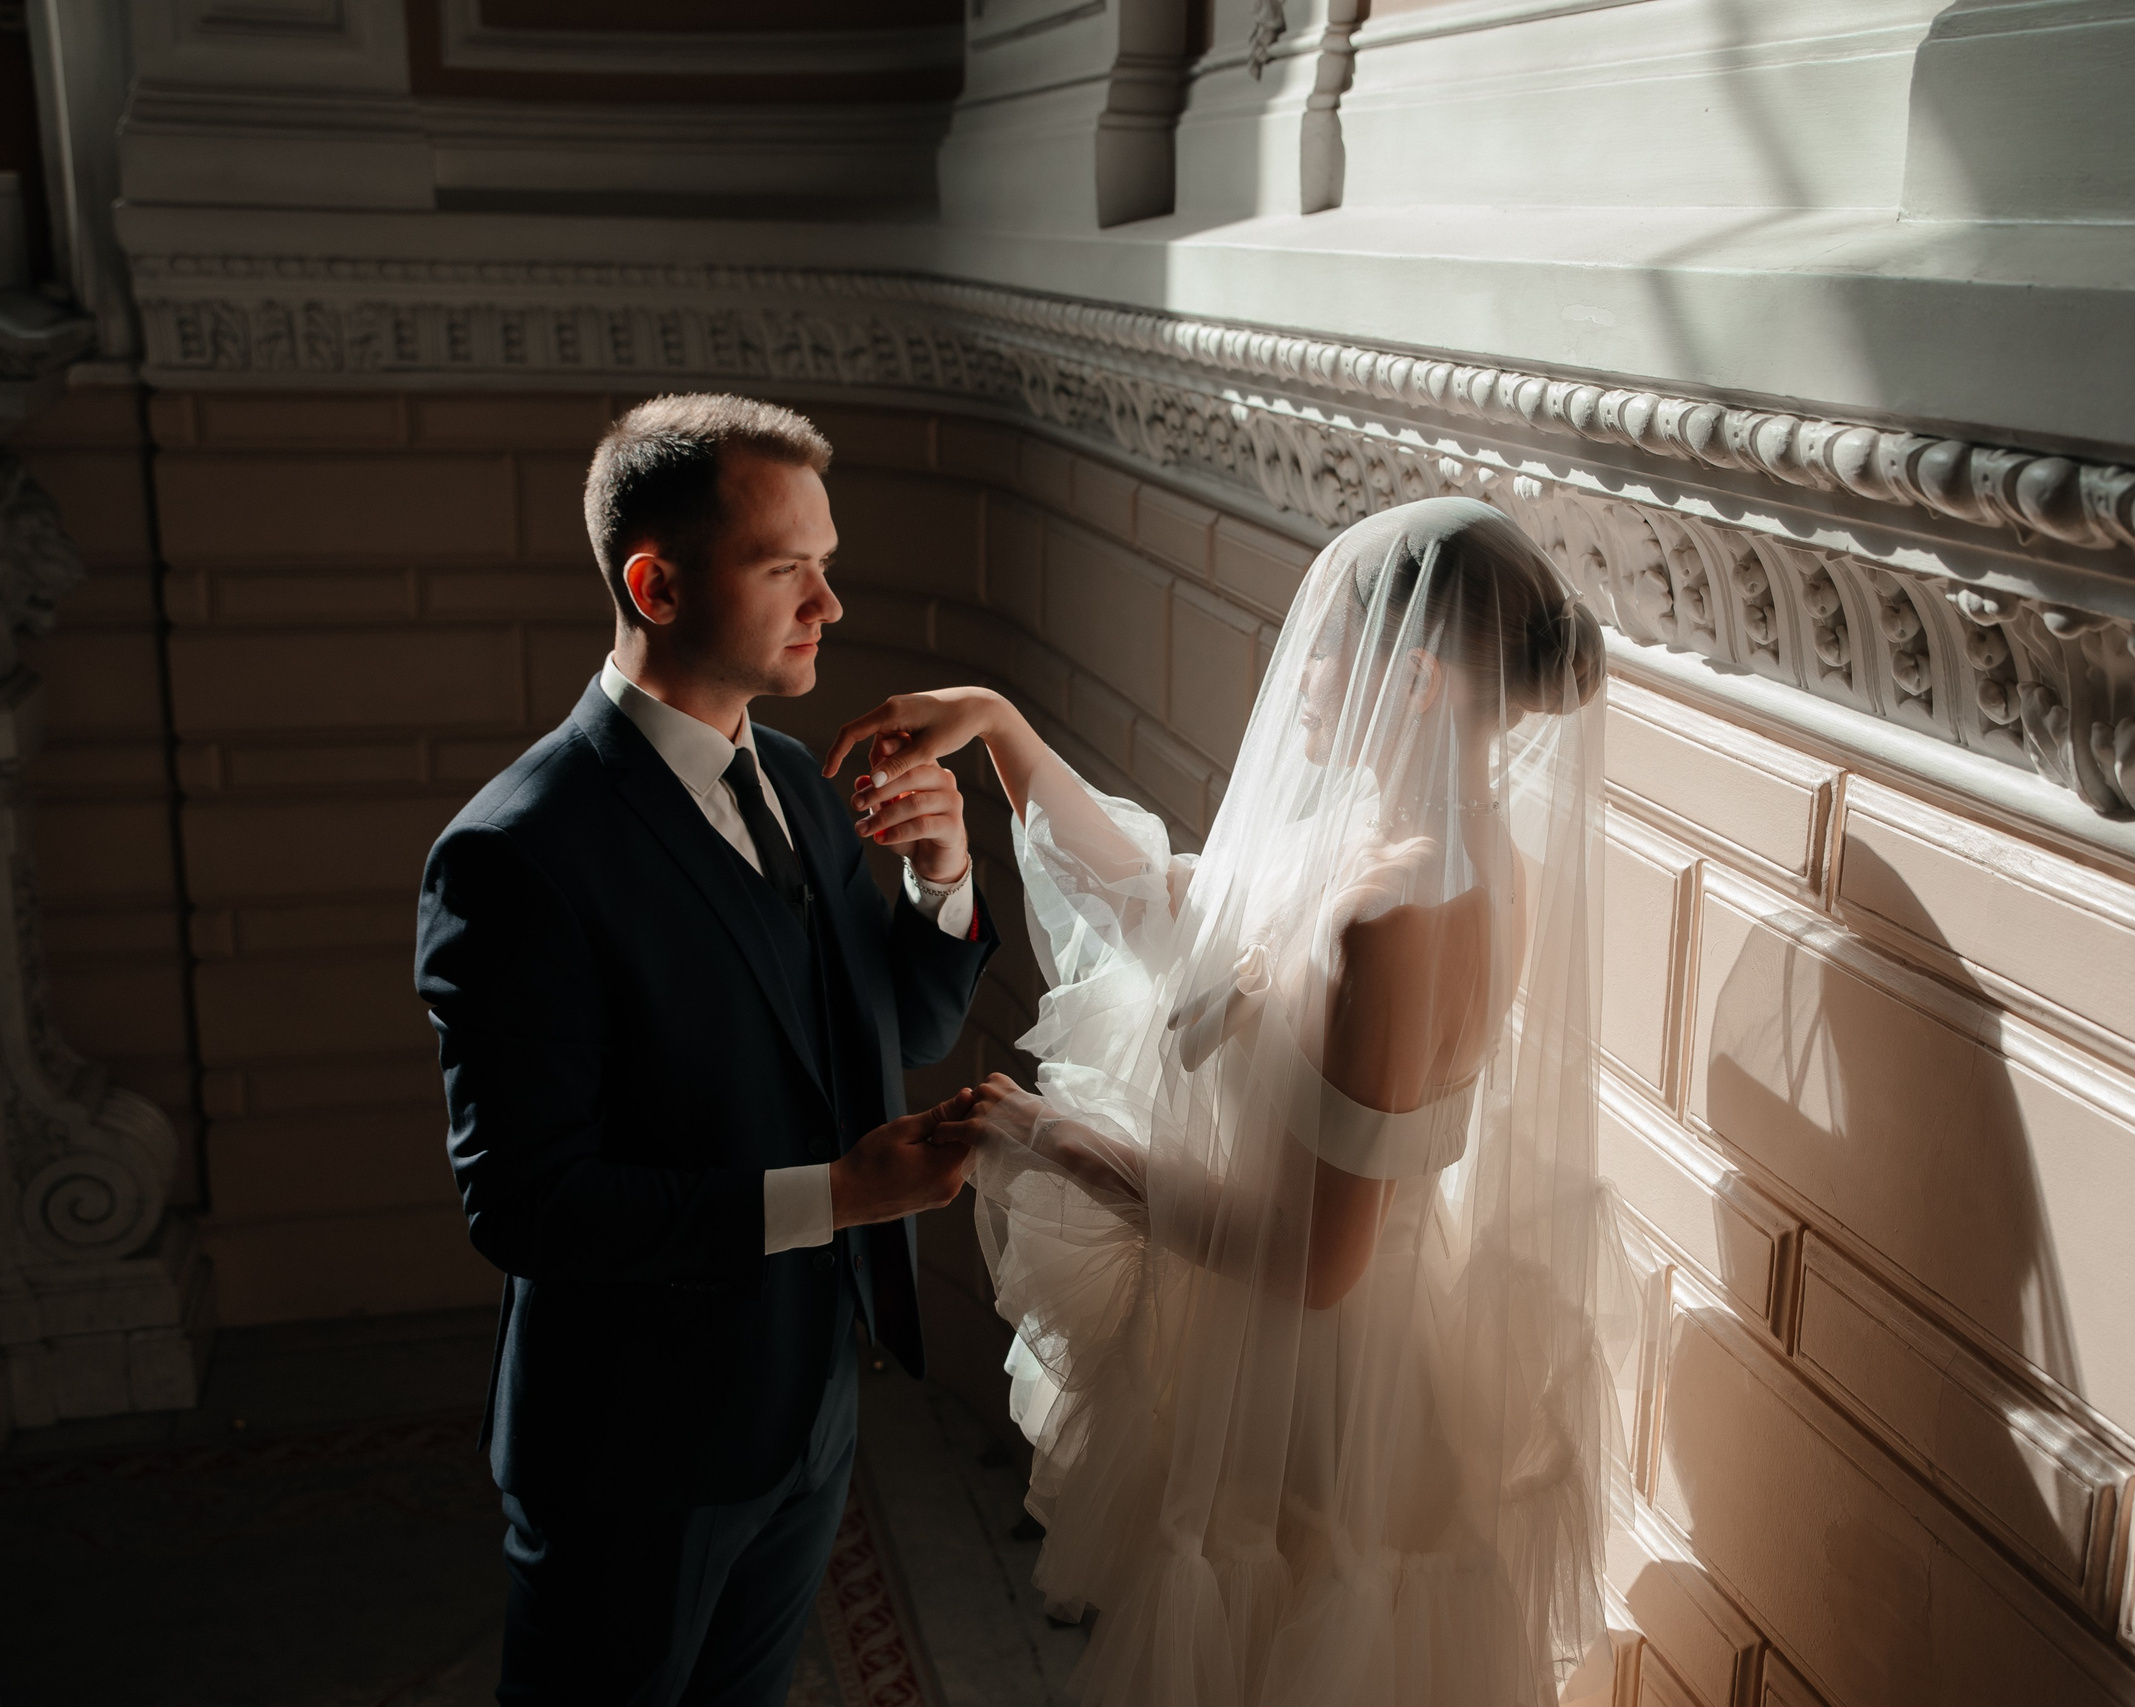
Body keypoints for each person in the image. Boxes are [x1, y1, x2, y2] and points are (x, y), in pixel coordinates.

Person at [823, 495, 1614, 1707]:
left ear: (1413, 680)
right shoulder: (1378, 844)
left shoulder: (1398, 917)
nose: (1299, 675)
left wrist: (1048, 1137)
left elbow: (1317, 1263)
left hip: (1316, 1403)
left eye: (1327, 646)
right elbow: (1159, 906)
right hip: (1265, 1362)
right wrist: (995, 723)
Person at [414, 393, 998, 1706]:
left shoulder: (796, 781)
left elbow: (900, 1032)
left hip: (809, 1407)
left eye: (826, 564)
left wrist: (941, 875)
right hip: (630, 1446)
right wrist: (841, 1195)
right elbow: (526, 1203)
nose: (829, 604)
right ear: (656, 585)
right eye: (787, 568)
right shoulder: (516, 854)